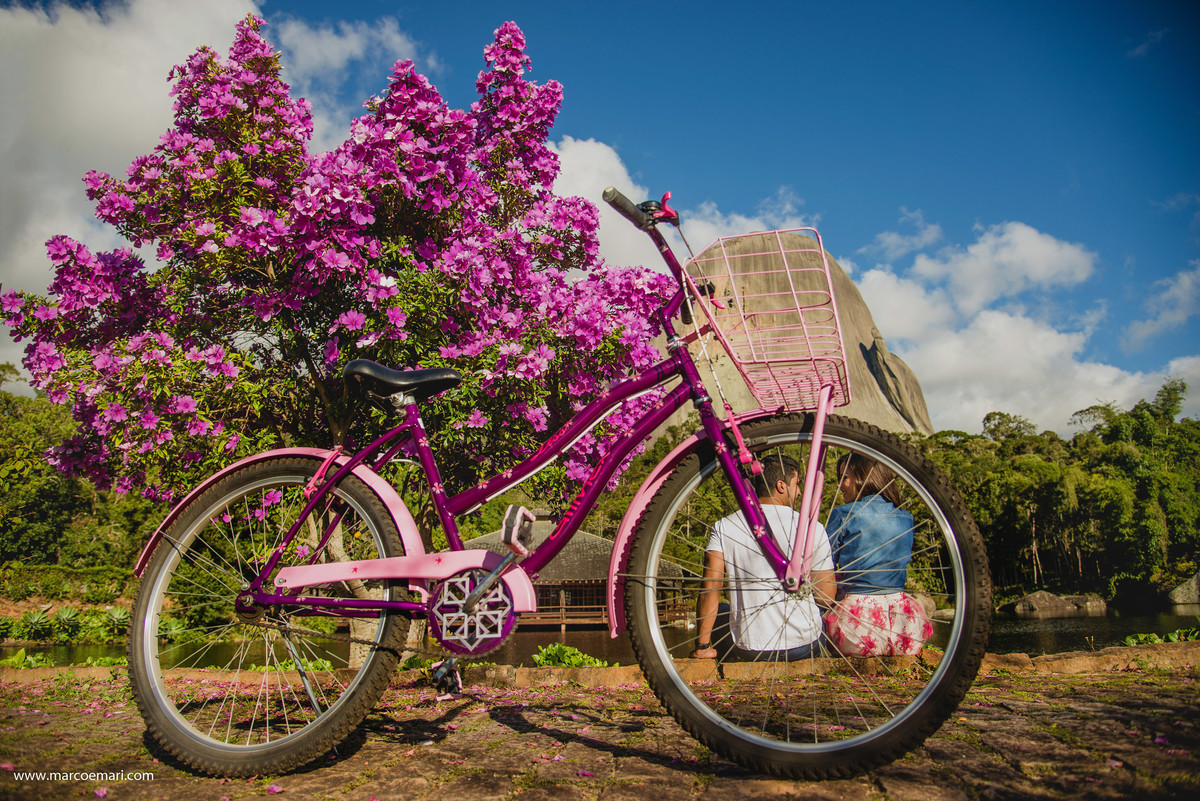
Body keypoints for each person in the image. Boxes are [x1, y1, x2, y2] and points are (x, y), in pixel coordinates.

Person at [692, 454, 835, 661]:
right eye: (796, 484)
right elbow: (826, 596)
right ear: (781, 486)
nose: (799, 492)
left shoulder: (724, 526)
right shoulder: (813, 527)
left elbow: (710, 587)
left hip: (750, 649)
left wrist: (702, 645)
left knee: (723, 611)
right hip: (804, 646)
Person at [823, 454, 932, 657]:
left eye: (844, 478)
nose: (840, 486)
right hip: (905, 628)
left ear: (863, 476)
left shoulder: (843, 514)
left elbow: (821, 565)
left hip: (856, 629)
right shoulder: (906, 518)